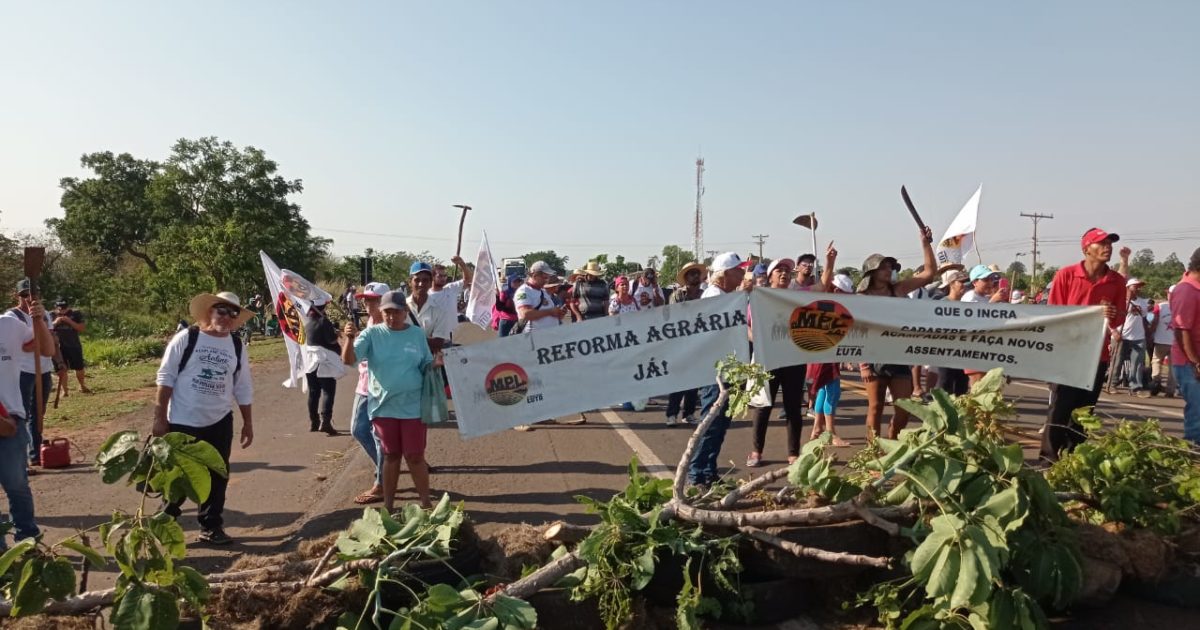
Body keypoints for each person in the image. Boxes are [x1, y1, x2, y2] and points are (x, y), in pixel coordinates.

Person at [155, 292, 255, 545]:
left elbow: (242, 386)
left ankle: (211, 526)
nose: (226, 317)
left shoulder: (236, 346)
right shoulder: (187, 338)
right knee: (177, 475)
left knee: (217, 475)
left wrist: (248, 423)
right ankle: (165, 523)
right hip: (182, 420)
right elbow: (166, 377)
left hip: (219, 420)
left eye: (233, 313)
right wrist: (159, 418)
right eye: (221, 310)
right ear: (209, 311)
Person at [1041, 228, 1127, 461]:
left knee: (1085, 410)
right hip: (1067, 353)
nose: (1108, 247)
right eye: (1101, 243)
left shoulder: (1117, 281)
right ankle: (1048, 457)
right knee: (1060, 407)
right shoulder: (1066, 275)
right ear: (1086, 248)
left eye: (1110, 243)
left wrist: (1112, 313)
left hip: (1096, 355)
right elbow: (1054, 314)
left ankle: (1075, 458)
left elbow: (1120, 317)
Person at [348, 290, 438, 511]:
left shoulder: (416, 334)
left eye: (396, 312)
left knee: (415, 456)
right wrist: (349, 340)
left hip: (413, 406)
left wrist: (435, 364)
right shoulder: (371, 334)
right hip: (383, 406)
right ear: (382, 311)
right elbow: (350, 360)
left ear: (405, 312)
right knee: (391, 455)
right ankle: (388, 507)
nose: (391, 317)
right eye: (387, 312)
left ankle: (426, 504)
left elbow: (425, 363)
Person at [852, 227, 936, 439]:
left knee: (903, 408)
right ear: (871, 271)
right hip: (873, 357)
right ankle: (872, 453)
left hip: (898, 356)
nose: (888, 270)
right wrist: (863, 364)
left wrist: (925, 244)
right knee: (875, 407)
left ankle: (892, 441)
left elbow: (928, 273)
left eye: (890, 266)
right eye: (883, 267)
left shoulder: (898, 290)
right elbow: (857, 331)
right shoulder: (861, 297)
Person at [687, 252, 750, 490]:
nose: (742, 274)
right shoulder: (714, 296)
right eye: (738, 270)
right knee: (711, 422)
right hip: (716, 371)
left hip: (728, 368)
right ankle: (696, 473)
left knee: (721, 423)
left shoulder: (725, 296)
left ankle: (708, 471)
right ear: (725, 274)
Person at [1, 293, 54, 550]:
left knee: (17, 485)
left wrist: (39, 320)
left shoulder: (9, 325)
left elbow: (46, 349)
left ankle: (28, 541)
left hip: (10, 421)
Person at [746, 258, 806, 467]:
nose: (784, 273)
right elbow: (748, 326)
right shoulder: (758, 297)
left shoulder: (796, 297)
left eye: (787, 271)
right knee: (763, 406)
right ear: (770, 276)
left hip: (794, 359)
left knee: (793, 407)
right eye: (779, 270)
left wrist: (830, 263)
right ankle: (756, 452)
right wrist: (759, 341)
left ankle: (793, 453)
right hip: (768, 359)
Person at [341, 282, 390, 504]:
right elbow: (351, 360)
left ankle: (381, 482)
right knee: (358, 430)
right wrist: (351, 338)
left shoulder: (393, 327)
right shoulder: (370, 323)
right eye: (366, 299)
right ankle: (387, 466)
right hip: (363, 386)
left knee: (379, 438)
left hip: (381, 389)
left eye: (373, 299)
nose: (368, 303)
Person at [11, 280, 56, 467]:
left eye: (31, 295)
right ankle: (30, 455)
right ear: (17, 296)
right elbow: (23, 346)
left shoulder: (44, 314)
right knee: (24, 414)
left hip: (44, 370)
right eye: (23, 295)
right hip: (23, 372)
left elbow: (52, 342)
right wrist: (39, 339)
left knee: (39, 412)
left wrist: (59, 362)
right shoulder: (12, 318)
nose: (28, 299)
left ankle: (36, 450)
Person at [664, 262, 706, 427]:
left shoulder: (705, 294)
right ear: (686, 278)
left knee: (694, 380)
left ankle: (688, 413)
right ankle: (671, 413)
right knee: (679, 379)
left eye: (697, 273)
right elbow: (676, 318)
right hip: (681, 342)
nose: (695, 276)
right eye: (691, 274)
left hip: (700, 341)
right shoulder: (677, 296)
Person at [1170, 248, 1200, 445]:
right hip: (1189, 362)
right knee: (1198, 411)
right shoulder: (1186, 290)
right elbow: (1181, 330)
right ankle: (1194, 452)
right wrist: (1195, 362)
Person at [303, 296, 343, 434]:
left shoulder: (307, 320)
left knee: (313, 393)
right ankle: (325, 421)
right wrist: (335, 334)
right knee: (328, 391)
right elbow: (331, 341)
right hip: (324, 360)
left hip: (310, 361)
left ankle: (314, 422)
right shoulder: (323, 321)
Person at [933, 269, 971, 395]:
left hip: (962, 353)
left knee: (962, 387)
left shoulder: (966, 307)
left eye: (966, 282)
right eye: (961, 282)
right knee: (945, 385)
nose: (964, 286)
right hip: (945, 353)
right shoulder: (942, 304)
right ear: (952, 284)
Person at [407, 262, 455, 351]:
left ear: (430, 283)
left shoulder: (439, 311)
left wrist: (406, 338)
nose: (421, 284)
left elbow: (437, 344)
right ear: (410, 282)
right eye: (417, 280)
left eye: (425, 280)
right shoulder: (400, 307)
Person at [1118, 278, 1152, 397]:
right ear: (1128, 288)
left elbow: (1143, 316)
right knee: (1117, 361)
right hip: (1123, 335)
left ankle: (1136, 386)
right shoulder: (1121, 301)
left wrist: (1147, 335)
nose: (1138, 289)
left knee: (1137, 363)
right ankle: (1112, 383)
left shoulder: (1142, 302)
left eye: (1139, 287)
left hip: (1138, 336)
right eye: (1135, 286)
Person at [50, 297, 89, 395]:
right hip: (58, 347)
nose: (62, 310)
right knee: (61, 369)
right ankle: (65, 390)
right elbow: (46, 329)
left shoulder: (75, 314)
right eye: (60, 308)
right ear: (56, 307)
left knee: (79, 367)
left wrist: (69, 321)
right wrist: (55, 322)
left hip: (73, 344)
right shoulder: (51, 315)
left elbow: (81, 328)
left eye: (64, 308)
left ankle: (82, 385)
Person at [515, 261, 565, 333]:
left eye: (548, 277)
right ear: (535, 275)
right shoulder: (524, 291)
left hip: (548, 336)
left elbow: (547, 316)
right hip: (534, 338)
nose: (547, 280)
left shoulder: (543, 292)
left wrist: (559, 314)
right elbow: (525, 314)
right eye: (545, 277)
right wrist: (550, 312)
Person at [1151, 285, 1177, 397]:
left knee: (1156, 361)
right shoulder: (1182, 306)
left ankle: (1156, 381)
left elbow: (1153, 320)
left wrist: (1151, 332)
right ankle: (1170, 390)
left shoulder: (1160, 306)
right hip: (1174, 342)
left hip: (1162, 339)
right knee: (1172, 367)